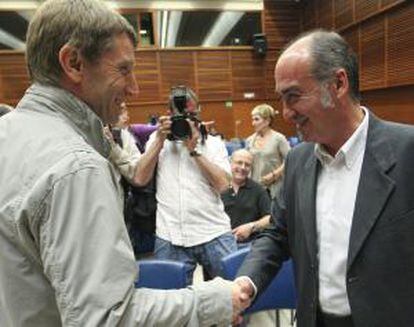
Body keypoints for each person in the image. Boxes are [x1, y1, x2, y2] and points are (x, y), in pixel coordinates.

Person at [0, 0, 251, 326]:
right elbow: (107, 318)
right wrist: (214, 301)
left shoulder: (7, 134)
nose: (133, 88)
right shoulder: (77, 167)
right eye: (123, 69)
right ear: (74, 62)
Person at [237, 29, 414, 327]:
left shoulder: (407, 152)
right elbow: (278, 234)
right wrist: (247, 281)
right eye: (282, 99)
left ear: (338, 84)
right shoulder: (298, 160)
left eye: (293, 96)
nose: (286, 112)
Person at [112, 87, 238, 285]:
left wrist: (194, 151)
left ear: (198, 112)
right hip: (170, 235)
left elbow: (223, 185)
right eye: (181, 115)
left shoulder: (213, 143)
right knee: (171, 306)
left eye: (191, 114)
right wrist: (160, 139)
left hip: (213, 232)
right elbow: (140, 178)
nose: (186, 120)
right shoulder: (157, 140)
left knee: (235, 296)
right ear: (169, 114)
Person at [221, 149, 271, 244]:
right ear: (230, 162)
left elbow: (270, 218)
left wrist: (251, 227)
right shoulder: (217, 187)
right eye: (239, 163)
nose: (243, 167)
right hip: (221, 244)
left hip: (250, 245)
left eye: (247, 165)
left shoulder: (259, 190)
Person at [246, 103, 290, 199]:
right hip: (256, 188)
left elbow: (290, 160)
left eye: (256, 119)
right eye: (252, 119)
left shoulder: (279, 138)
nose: (253, 123)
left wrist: (274, 175)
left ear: (267, 121)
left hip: (275, 188)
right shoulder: (250, 140)